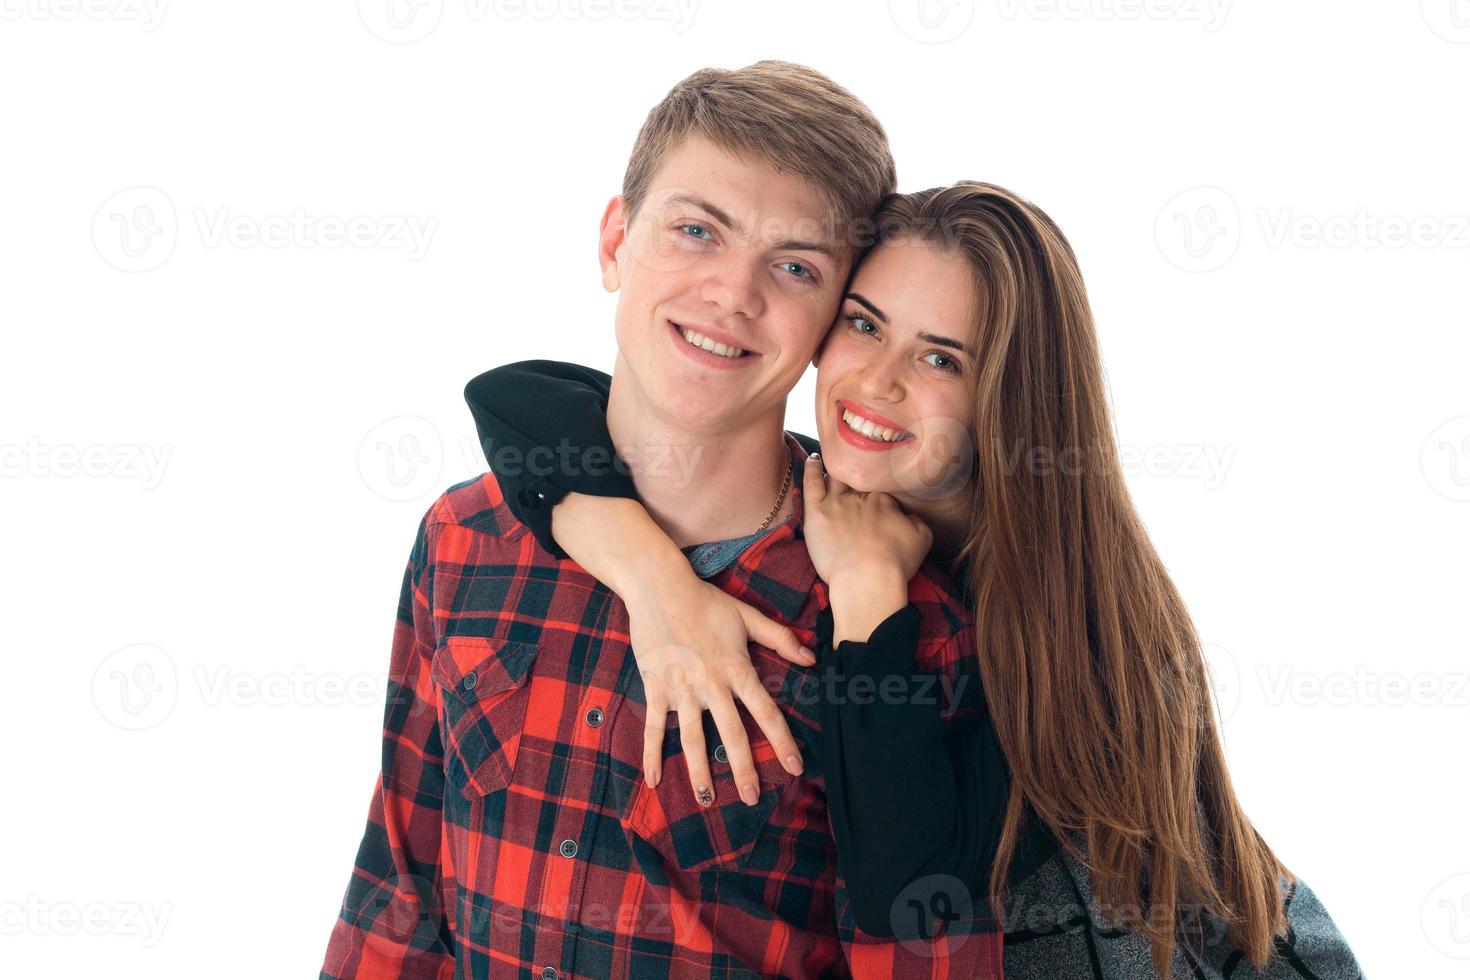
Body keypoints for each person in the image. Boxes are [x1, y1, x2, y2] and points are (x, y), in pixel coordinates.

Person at [463, 182, 1367, 979]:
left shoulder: (1028, 634)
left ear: (1008, 395)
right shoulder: (845, 496)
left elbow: (902, 883)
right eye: (863, 324)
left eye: (941, 358)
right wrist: (655, 579)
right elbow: (520, 395)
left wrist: (867, 600)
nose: (877, 381)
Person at [320, 62, 1006, 979]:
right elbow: (401, 898)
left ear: (829, 326)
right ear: (614, 242)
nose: (732, 293)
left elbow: (924, 959)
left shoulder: (897, 625)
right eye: (695, 231)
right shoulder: (465, 538)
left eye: (794, 265)